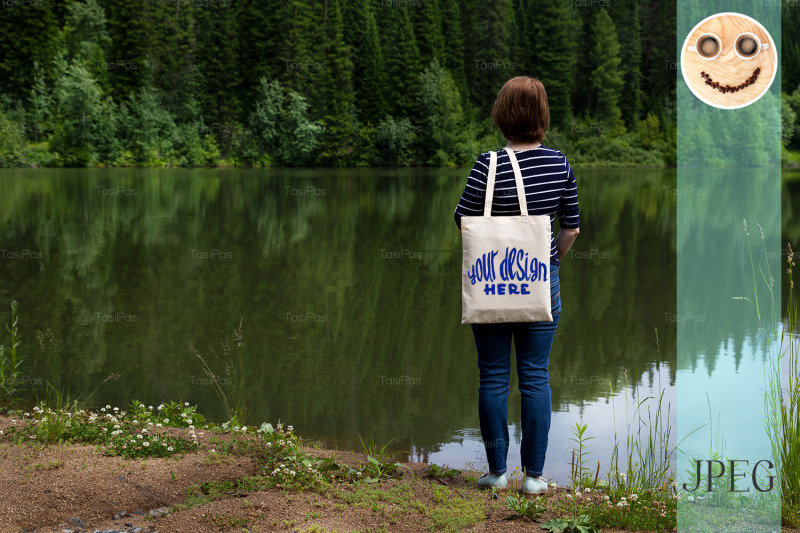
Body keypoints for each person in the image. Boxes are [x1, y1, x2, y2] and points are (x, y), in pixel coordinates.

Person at [453, 76, 580, 498]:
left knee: (491, 376)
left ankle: (496, 472)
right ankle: (534, 477)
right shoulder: (559, 163)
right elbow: (572, 228)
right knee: (535, 377)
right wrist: (549, 259)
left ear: (502, 114)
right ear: (542, 116)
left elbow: (463, 221)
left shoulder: (485, 164)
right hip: (541, 281)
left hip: (489, 282)